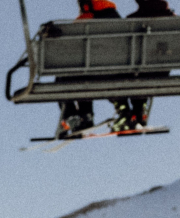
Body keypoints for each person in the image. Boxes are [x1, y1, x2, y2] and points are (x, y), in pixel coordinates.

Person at [54, 1, 162, 138]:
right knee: (91, 72)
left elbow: (66, 47)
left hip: (98, 74)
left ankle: (77, 117)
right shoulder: (120, 23)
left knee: (66, 76)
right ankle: (130, 113)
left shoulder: (85, 22)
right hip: (122, 73)